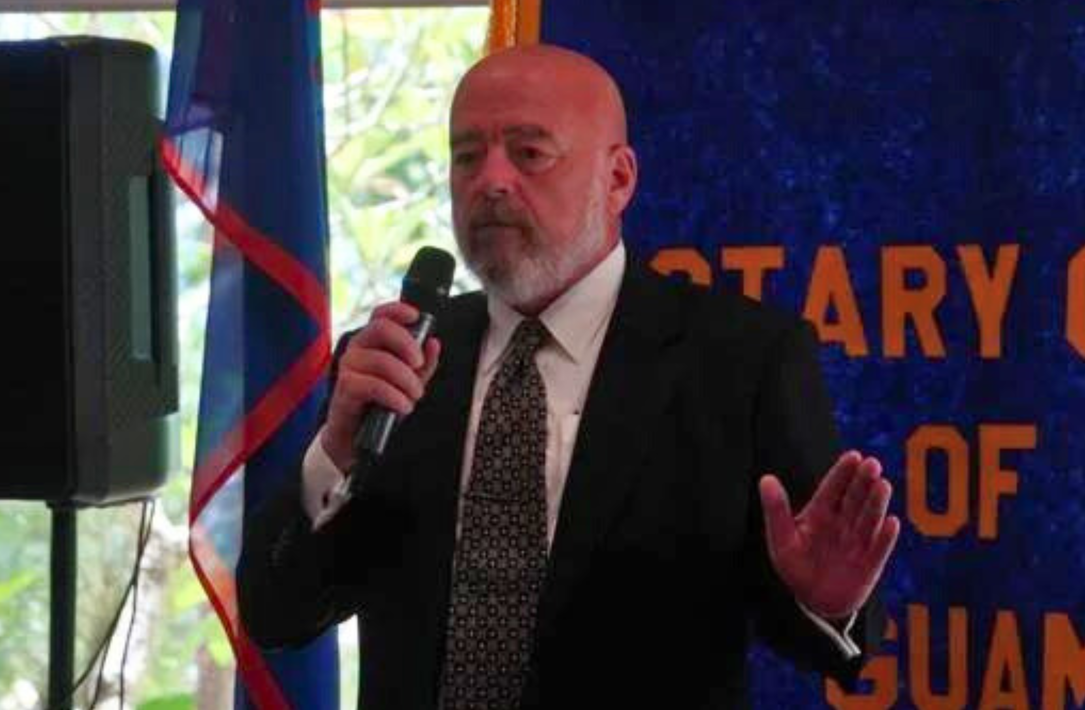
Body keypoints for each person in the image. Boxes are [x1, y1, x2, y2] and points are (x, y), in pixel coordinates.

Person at [239, 45, 900, 709]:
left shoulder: (740, 360)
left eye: (529, 153)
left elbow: (826, 643)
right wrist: (334, 454)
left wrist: (823, 601)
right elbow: (277, 614)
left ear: (618, 180)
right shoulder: (396, 362)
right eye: (467, 155)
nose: (490, 181)